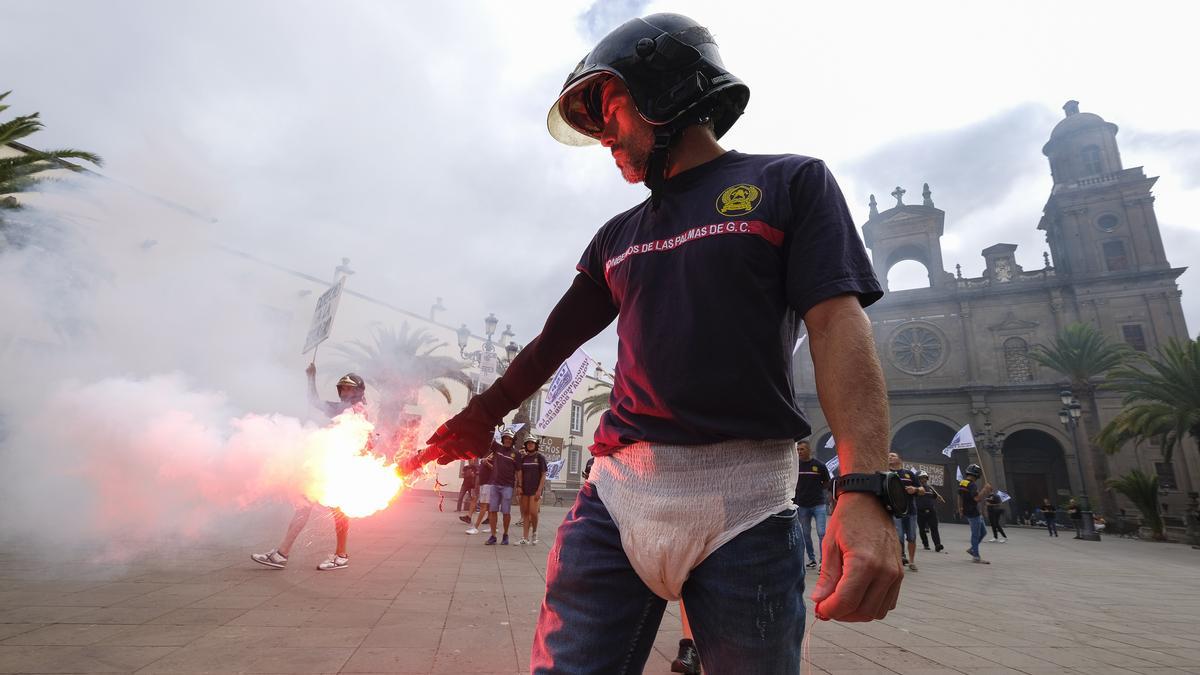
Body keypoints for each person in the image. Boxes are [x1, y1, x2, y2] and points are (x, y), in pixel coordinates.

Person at [422, 14, 900, 673]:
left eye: (608, 111)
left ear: (665, 89)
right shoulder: (616, 236)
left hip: (748, 502)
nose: (604, 140)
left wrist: (866, 487)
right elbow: (550, 344)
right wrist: (480, 414)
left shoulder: (790, 184)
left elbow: (836, 324)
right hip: (615, 496)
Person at [251, 365, 365, 571]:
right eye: (344, 389)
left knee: (338, 511)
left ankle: (340, 556)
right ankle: (282, 553)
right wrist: (311, 377)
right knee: (308, 505)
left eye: (350, 389)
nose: (346, 392)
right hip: (328, 464)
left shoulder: (356, 409)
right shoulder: (343, 408)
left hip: (340, 465)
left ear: (358, 392)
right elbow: (315, 402)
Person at [793, 440, 831, 571]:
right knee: (805, 534)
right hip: (802, 505)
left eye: (802, 449)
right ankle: (812, 559)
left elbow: (827, 482)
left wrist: (818, 490)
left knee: (821, 533)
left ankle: (823, 561)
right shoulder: (795, 466)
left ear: (809, 450)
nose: (799, 452)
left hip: (818, 504)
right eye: (798, 450)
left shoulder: (819, 465)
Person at [889, 452, 922, 571]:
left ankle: (912, 561)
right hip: (895, 511)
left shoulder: (909, 474)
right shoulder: (886, 474)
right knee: (899, 537)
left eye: (893, 455)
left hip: (911, 511)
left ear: (900, 459)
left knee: (912, 537)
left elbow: (921, 489)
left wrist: (915, 489)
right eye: (888, 456)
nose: (890, 457)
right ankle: (898, 559)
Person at [485, 429, 519, 546]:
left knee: (506, 512)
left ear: (513, 440)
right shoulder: (497, 448)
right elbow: (488, 436)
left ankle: (505, 534)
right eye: (506, 438)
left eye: (510, 439)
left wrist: (519, 486)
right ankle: (493, 536)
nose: (508, 440)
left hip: (508, 486)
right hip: (495, 484)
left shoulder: (516, 453)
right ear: (503, 439)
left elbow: (519, 471)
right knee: (492, 510)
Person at [957, 464, 993, 564]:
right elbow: (977, 498)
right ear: (976, 474)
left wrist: (960, 508)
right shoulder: (972, 484)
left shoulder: (962, 482)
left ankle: (972, 549)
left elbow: (959, 496)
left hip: (969, 511)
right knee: (975, 535)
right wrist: (985, 490)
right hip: (973, 512)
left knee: (983, 532)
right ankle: (976, 556)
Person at [517, 437, 549, 545]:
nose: (530, 445)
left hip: (536, 489)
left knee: (533, 512)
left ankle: (534, 533)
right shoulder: (524, 458)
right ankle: (525, 537)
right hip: (525, 489)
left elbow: (544, 474)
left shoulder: (540, 457)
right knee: (525, 512)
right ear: (526, 445)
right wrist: (519, 486)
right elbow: (520, 473)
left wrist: (539, 490)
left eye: (532, 443)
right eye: (528, 443)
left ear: (536, 445)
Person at [914, 471, 945, 553]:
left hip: (931, 511)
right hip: (920, 512)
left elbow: (936, 497)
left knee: (934, 528)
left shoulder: (930, 488)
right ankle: (926, 544)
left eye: (925, 478)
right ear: (918, 479)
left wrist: (939, 498)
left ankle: (937, 545)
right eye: (921, 478)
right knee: (922, 529)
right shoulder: (916, 489)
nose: (923, 479)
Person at [465, 452, 493, 535]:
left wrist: (487, 463)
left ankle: (475, 527)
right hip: (483, 483)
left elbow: (495, 469)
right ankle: (493, 527)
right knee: (490, 507)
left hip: (488, 484)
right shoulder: (487, 454)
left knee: (483, 507)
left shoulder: (495, 455)